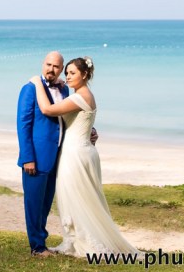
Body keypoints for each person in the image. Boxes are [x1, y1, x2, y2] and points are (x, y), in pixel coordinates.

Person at [29, 56, 140, 257]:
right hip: (83, 150)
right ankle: (74, 240)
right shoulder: (83, 95)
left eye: (72, 73)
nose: (68, 77)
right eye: (67, 73)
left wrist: (37, 83)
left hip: (75, 155)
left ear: (85, 75)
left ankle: (85, 242)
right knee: (80, 198)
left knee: (78, 198)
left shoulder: (80, 97)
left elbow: (47, 109)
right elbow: (79, 121)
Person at [17, 51, 67, 258]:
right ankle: (36, 247)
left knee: (46, 203)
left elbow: (65, 120)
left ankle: (42, 241)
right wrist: (27, 157)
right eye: (48, 64)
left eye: (56, 66)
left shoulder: (64, 91)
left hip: (56, 156)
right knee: (34, 203)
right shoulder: (29, 89)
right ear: (42, 64)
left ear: (61, 69)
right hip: (35, 158)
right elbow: (23, 125)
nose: (51, 69)